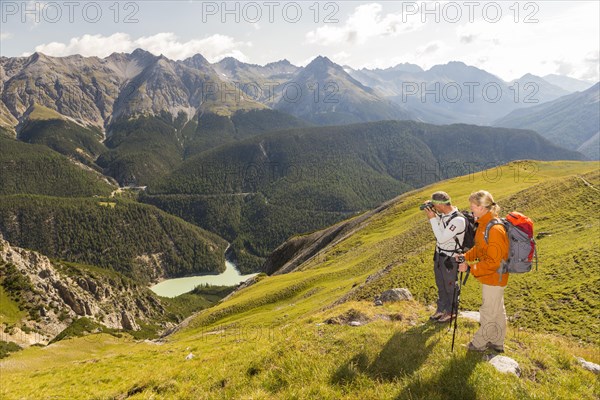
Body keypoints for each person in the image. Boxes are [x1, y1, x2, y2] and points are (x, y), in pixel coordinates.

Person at [457, 190, 509, 352]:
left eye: (473, 205)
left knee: (488, 312)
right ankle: (497, 342)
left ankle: (478, 344)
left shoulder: (495, 230)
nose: (470, 208)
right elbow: (480, 249)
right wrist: (465, 256)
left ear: (482, 207)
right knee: (497, 311)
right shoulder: (484, 225)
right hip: (491, 277)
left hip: (495, 278)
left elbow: (494, 262)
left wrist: (471, 268)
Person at [424, 191, 466, 323]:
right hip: (439, 255)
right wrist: (435, 216)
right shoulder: (444, 215)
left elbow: (441, 238)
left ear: (440, 205)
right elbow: (441, 230)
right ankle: (441, 309)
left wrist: (432, 218)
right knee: (440, 284)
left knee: (450, 286)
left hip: (450, 258)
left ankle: (451, 311)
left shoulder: (457, 220)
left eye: (434, 204)